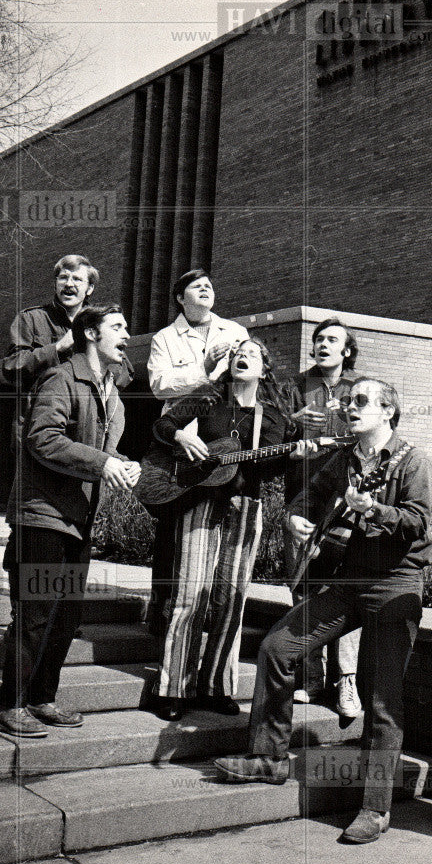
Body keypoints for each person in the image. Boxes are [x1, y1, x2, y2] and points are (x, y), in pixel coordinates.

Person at [214, 377, 432, 845]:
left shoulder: (412, 461)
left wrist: (374, 510)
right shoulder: (343, 458)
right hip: (349, 580)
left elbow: (417, 521)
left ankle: (375, 808)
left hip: (395, 586)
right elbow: (305, 498)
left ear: (388, 411)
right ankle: (268, 758)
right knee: (277, 647)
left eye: (360, 402)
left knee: (380, 697)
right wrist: (294, 517)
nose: (349, 408)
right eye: (348, 401)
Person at [0, 305, 141, 737]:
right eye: (118, 327)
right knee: (35, 614)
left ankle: (42, 698)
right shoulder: (61, 377)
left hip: (80, 522)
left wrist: (122, 464)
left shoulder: (112, 393)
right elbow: (42, 438)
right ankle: (8, 703)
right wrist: (101, 462)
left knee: (64, 617)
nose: (128, 334)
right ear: (91, 334)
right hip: (42, 520)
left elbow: (101, 455)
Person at [147, 336, 307, 721]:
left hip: (244, 506)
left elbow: (265, 468)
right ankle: (174, 689)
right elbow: (163, 424)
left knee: (231, 599)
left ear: (264, 370)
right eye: (238, 353)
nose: (242, 358)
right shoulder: (206, 399)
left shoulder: (273, 418)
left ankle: (217, 685)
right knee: (189, 595)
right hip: (197, 499)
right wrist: (182, 434)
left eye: (252, 354)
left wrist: (295, 455)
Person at [145, 269, 249, 639]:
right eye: (196, 286)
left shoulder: (234, 332)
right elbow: (159, 385)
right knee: (173, 523)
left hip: (221, 433)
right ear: (179, 297)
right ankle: (162, 607)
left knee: (215, 519)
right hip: (181, 437)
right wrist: (204, 370)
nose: (206, 289)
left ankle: (204, 610)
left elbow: (247, 378)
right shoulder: (164, 338)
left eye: (209, 285)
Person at [285, 318, 362, 718]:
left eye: (332, 339)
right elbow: (270, 439)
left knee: (344, 587)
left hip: (342, 501)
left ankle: (346, 680)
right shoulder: (294, 387)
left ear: (347, 350)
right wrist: (293, 425)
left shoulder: (359, 389)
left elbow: (378, 432)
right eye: (318, 339)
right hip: (302, 497)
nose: (323, 344)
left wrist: (347, 418)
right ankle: (309, 679)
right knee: (302, 585)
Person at [2, 254, 132, 447]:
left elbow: (126, 372)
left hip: (87, 427)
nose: (68, 284)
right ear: (55, 284)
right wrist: (57, 348)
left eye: (77, 279)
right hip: (39, 425)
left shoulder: (100, 322)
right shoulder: (31, 318)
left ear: (89, 289)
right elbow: (12, 367)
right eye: (63, 278)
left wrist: (99, 375)